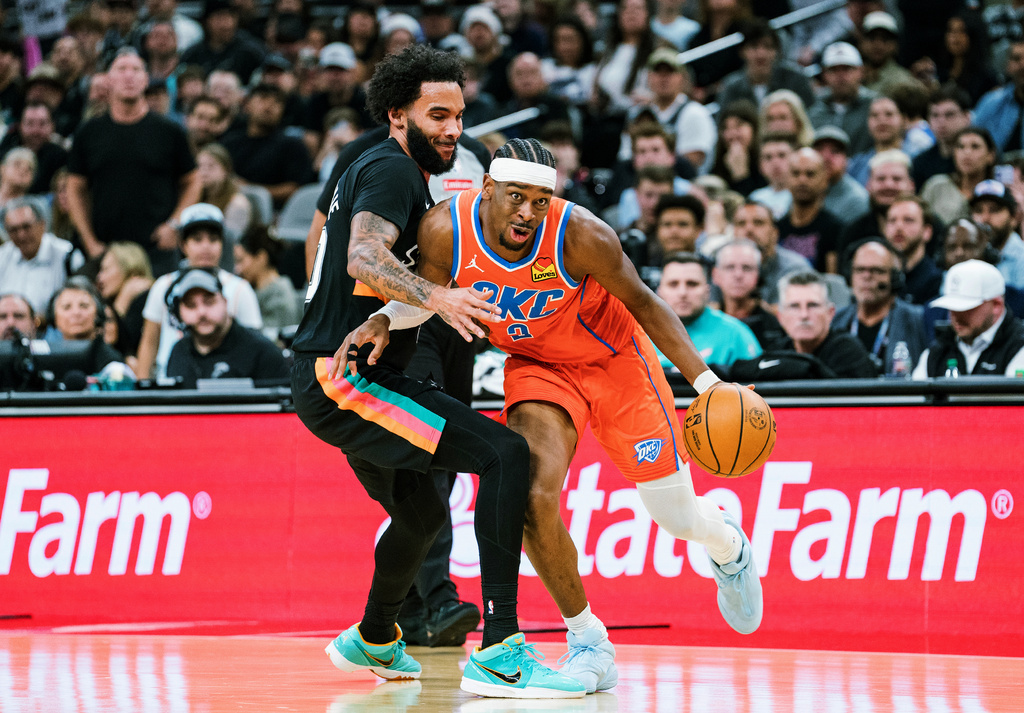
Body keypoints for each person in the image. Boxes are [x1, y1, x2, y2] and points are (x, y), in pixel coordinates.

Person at [341, 138, 766, 694]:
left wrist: (707, 383)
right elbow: (431, 294)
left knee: (676, 518)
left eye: (540, 200)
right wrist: (386, 321)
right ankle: (589, 640)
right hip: (538, 367)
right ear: (487, 189)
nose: (527, 212)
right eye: (516, 197)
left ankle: (726, 546)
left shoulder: (583, 234)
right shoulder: (445, 231)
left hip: (618, 363)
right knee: (531, 496)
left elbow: (644, 302)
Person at [290, 47, 583, 698]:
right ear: (398, 115)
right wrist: (438, 297)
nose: (453, 128)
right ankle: (502, 645)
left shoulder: (388, 167)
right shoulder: (392, 169)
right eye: (438, 114)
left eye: (460, 114)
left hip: (343, 368)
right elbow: (364, 255)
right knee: (505, 454)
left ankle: (373, 634)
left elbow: (364, 264)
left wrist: (388, 316)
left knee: (421, 514)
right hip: (346, 379)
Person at [66, 48, 200, 276]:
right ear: (108, 79)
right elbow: (74, 189)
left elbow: (193, 180)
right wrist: (89, 241)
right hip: (104, 249)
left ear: (146, 79)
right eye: (121, 69)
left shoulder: (169, 131)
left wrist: (175, 224)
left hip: (157, 249)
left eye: (136, 69)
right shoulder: (88, 133)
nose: (129, 76)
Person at [136, 202, 262, 380]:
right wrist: (143, 389)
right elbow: (149, 343)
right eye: (197, 239)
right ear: (183, 245)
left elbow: (254, 347)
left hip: (228, 387)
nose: (206, 246)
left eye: (213, 239)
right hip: (170, 387)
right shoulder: (162, 286)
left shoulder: (241, 289)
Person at [732, 270, 877, 379]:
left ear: (830, 313)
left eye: (812, 305)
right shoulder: (780, 349)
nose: (804, 315)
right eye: (794, 306)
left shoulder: (848, 350)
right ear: (780, 317)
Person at [165, 267, 289, 388]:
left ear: (225, 302)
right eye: (191, 305)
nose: (201, 312)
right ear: (179, 312)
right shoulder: (178, 352)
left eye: (209, 302)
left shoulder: (263, 352)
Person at [831, 238, 928, 375]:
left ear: (894, 278)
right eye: (859, 270)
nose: (866, 276)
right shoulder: (837, 322)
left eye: (876, 270)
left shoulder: (917, 320)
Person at [912, 259, 1024, 377]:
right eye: (951, 307)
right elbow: (915, 391)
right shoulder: (937, 351)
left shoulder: (1018, 346)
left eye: (966, 309)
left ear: (996, 305)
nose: (955, 316)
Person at [656, 251, 763, 369]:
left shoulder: (736, 335)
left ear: (707, 291)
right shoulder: (638, 334)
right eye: (673, 284)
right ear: (659, 291)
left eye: (692, 284)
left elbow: (757, 384)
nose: (683, 293)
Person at [220, 83, 313, 208]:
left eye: (277, 102)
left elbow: (297, 188)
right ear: (247, 105)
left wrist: (250, 189)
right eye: (263, 98)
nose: (269, 106)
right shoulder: (229, 142)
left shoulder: (292, 145)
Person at [0, 198, 84, 315]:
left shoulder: (67, 256)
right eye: (14, 230)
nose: (21, 235)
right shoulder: (3, 256)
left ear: (42, 225)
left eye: (26, 227)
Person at [717, 19, 815, 111]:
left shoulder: (796, 79)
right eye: (754, 46)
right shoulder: (731, 87)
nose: (761, 54)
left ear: (777, 52)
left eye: (767, 46)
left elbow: (814, 113)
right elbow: (724, 124)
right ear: (742, 51)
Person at [712, 238, 789, 350]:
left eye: (746, 268)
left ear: (758, 275)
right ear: (715, 275)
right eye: (730, 267)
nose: (738, 275)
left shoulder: (774, 328)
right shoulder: (702, 322)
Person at [731, 199, 811, 305]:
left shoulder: (795, 268)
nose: (749, 229)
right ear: (733, 233)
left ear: (774, 233)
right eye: (741, 223)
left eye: (758, 222)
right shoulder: (722, 266)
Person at [777, 148, 842, 273]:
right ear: (786, 179)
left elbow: (832, 279)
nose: (802, 180)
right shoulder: (776, 229)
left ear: (824, 180)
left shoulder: (835, 229)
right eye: (796, 173)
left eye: (810, 174)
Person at [233, 224, 301, 340]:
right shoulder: (253, 290)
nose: (237, 269)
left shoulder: (280, 296)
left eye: (241, 260)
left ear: (261, 257)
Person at [807, 42, 877, 155]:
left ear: (861, 71)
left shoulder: (874, 106)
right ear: (824, 74)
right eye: (834, 70)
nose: (841, 75)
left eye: (847, 69)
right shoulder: (814, 110)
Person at [920, 126, 998, 225]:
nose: (967, 152)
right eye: (961, 147)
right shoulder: (936, 186)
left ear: (990, 155)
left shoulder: (997, 191)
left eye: (975, 146)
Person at [46, 276, 124, 373]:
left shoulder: (112, 363)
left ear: (98, 314)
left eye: (84, 306)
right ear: (54, 317)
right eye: (66, 307)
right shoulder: (44, 357)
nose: (76, 313)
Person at [95, 241, 154, 361]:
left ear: (129, 267)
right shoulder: (118, 300)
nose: (99, 277)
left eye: (105, 269)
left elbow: (126, 349)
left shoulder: (146, 299)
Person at [884, 194, 943, 305]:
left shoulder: (936, 280)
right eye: (892, 220)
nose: (899, 227)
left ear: (927, 232)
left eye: (908, 220)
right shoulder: (880, 277)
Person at [0, 102, 69, 196]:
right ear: (20, 126)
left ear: (52, 126)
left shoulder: (61, 157)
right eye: (30, 123)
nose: (36, 131)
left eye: (42, 124)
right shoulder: (6, 151)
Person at [968, 179, 1024, 290]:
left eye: (994, 210)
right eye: (978, 210)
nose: (985, 218)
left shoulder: (1022, 258)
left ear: (1014, 218)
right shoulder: (965, 253)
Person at [911, 86, 972, 188]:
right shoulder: (920, 163)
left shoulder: (980, 157)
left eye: (949, 115)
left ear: (966, 117)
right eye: (935, 115)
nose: (941, 122)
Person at [811, 126, 869, 221]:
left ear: (846, 160)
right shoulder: (801, 191)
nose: (826, 157)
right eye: (819, 149)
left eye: (835, 151)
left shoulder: (857, 200)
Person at [748, 132, 796, 219]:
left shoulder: (803, 195)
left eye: (782, 155)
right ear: (760, 166)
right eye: (768, 157)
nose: (775, 162)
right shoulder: (755, 198)